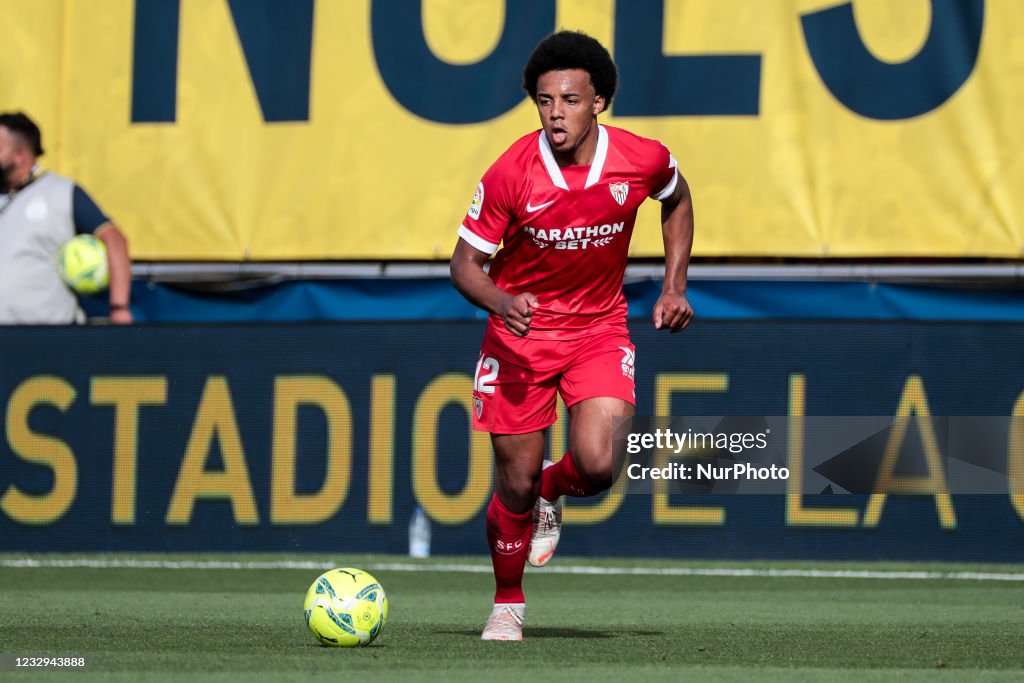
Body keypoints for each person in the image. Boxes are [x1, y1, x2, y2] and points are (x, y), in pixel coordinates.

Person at [449, 30, 694, 641]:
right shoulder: (512, 172)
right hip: (520, 338)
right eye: (544, 101)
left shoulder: (642, 159)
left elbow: (678, 198)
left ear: (599, 102)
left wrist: (674, 286)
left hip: (598, 329)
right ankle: (507, 602)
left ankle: (555, 492)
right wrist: (502, 301)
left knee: (601, 461)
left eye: (569, 99)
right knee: (515, 480)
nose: (555, 112)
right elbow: (462, 266)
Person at [0, 112, 133, 325]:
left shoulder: (61, 192)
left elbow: (115, 240)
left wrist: (119, 308)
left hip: (48, 336)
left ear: (20, 155)